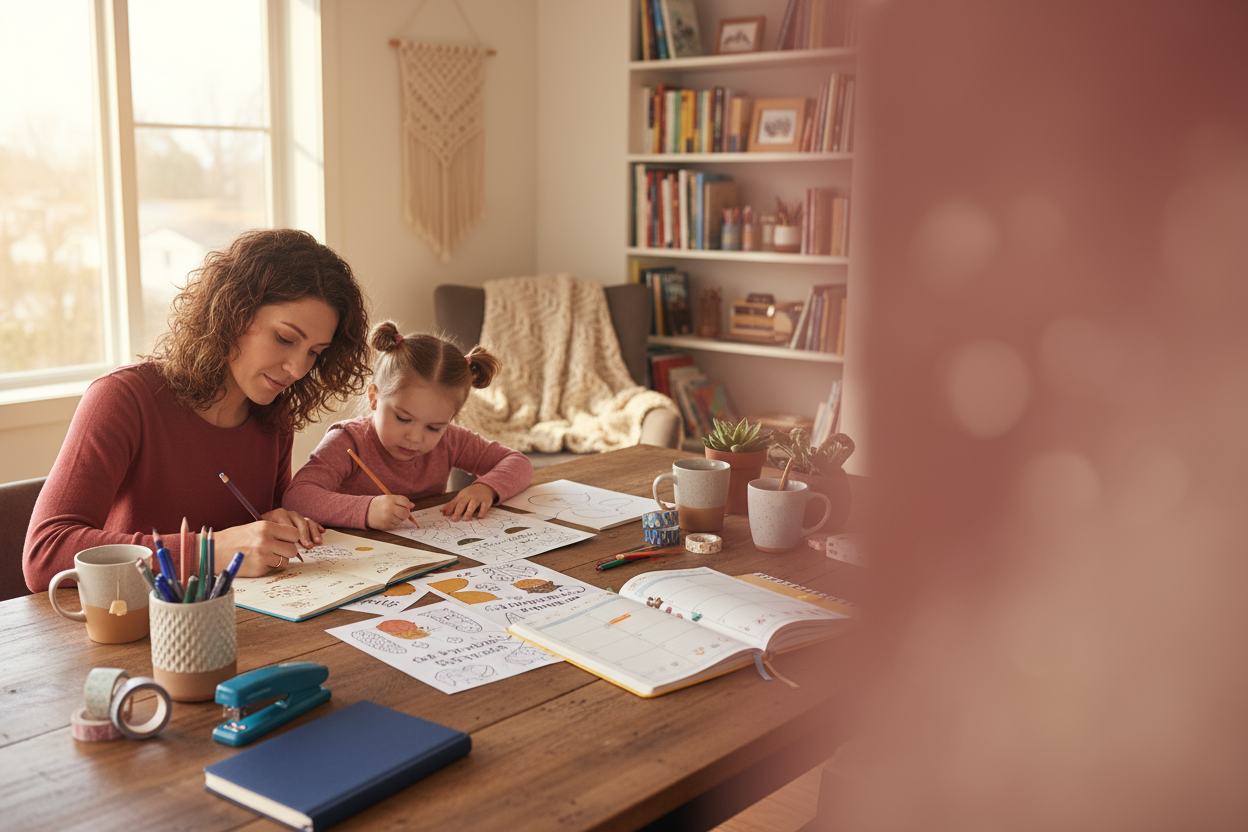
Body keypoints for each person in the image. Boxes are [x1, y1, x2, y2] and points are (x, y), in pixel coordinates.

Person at [23, 228, 372, 592]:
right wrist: (211, 551)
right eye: (285, 338)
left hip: (241, 622)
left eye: (315, 351)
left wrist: (279, 525)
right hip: (136, 625)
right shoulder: (123, 399)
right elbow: (45, 554)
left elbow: (257, 528)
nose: (299, 369)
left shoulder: (274, 416)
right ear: (233, 312)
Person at [283, 322, 533, 530]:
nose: (415, 437)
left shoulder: (450, 440)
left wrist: (486, 488)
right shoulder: (348, 440)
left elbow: (518, 463)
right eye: (403, 418)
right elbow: (298, 497)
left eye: (434, 427)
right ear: (374, 398)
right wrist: (366, 510)